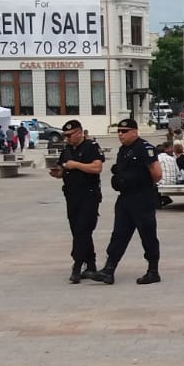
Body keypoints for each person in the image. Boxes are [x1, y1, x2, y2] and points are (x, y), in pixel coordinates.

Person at [88, 118, 162, 285]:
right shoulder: (123, 150)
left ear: (134, 132)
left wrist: (142, 185)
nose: (120, 134)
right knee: (119, 234)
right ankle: (109, 270)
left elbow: (157, 174)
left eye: (124, 131)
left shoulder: (145, 148)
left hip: (142, 198)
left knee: (147, 235)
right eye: (119, 132)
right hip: (125, 198)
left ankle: (153, 271)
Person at [50, 120, 104, 283]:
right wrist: (58, 173)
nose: (66, 138)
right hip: (71, 196)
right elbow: (63, 168)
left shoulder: (91, 147)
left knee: (82, 230)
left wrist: (76, 165)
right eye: (65, 135)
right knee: (78, 231)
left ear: (79, 132)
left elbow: (97, 168)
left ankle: (77, 265)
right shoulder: (67, 149)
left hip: (88, 195)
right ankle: (91, 264)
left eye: (69, 135)